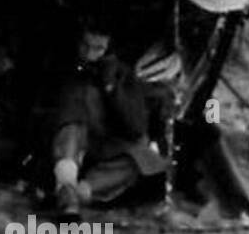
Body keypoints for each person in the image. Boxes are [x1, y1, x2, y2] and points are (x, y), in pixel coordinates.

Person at [48, 20, 167, 215]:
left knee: (139, 161)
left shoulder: (121, 75)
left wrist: (111, 88)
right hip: (69, 145)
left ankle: (77, 194)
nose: (89, 54)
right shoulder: (63, 68)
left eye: (98, 49)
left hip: (110, 145)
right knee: (73, 123)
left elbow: (135, 127)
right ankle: (66, 184)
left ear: (108, 49)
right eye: (85, 46)